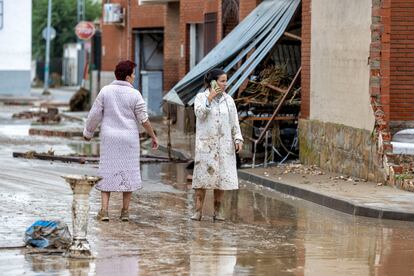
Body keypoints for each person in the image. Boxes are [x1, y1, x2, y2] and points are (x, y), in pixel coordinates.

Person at [83, 60, 158, 222]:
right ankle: (125, 212)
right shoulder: (135, 94)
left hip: (109, 138)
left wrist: (88, 133)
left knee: (107, 171)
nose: (134, 77)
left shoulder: (105, 91)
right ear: (128, 76)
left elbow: (94, 114)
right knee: (128, 171)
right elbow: (143, 119)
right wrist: (153, 135)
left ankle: (104, 211)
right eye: (133, 74)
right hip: (129, 139)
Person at [191, 68, 244, 221]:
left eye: (226, 81)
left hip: (224, 145)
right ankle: (198, 211)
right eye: (222, 81)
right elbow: (199, 114)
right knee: (202, 178)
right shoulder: (201, 97)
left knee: (220, 179)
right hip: (206, 146)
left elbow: (234, 122)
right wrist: (210, 98)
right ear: (213, 82)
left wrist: (238, 139)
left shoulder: (229, 100)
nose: (225, 84)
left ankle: (218, 211)